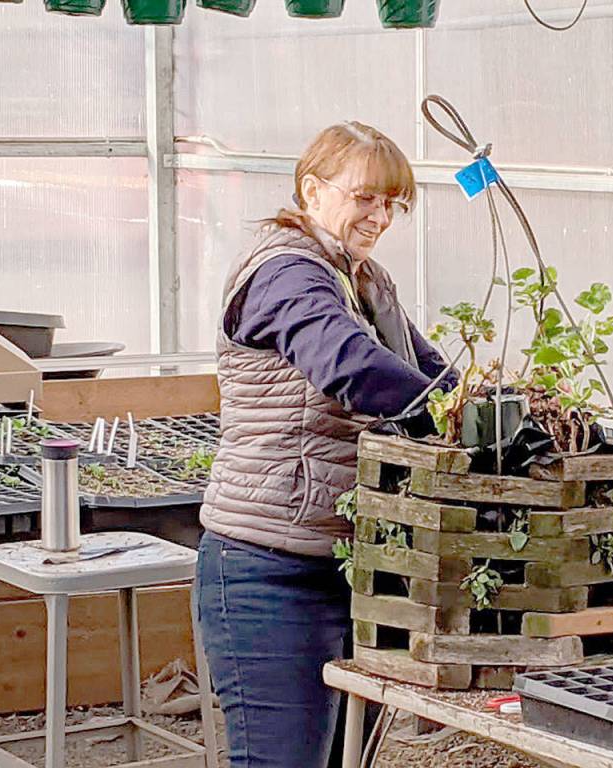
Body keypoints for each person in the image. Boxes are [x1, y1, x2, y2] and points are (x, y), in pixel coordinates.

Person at [193, 122, 455, 768]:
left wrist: (503, 416)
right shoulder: (284, 274)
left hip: (345, 567)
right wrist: (444, 417)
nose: (382, 215)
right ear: (312, 190)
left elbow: (432, 371)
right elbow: (348, 364)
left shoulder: (366, 283)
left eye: (393, 202)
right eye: (366, 197)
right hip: (269, 572)